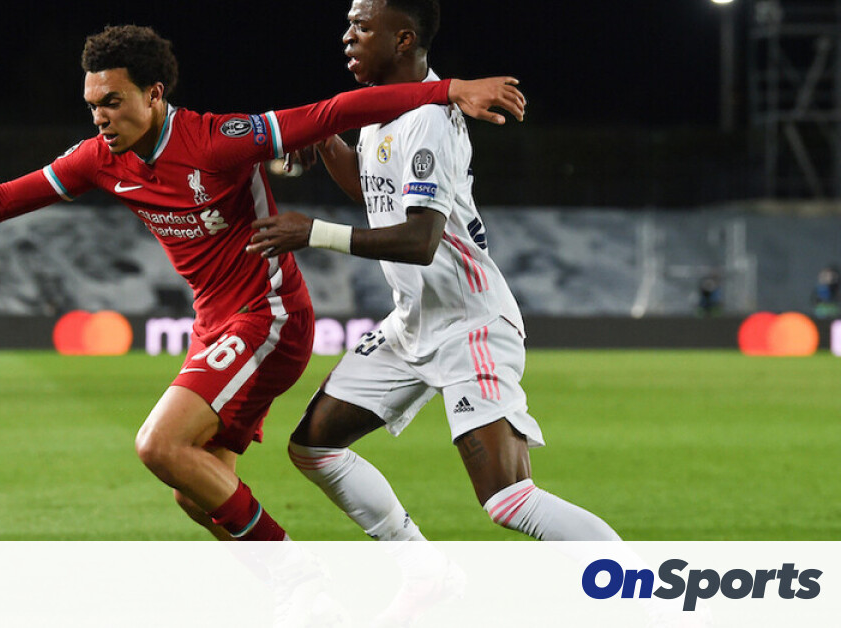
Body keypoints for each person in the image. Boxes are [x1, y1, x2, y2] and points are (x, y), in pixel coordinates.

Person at [0, 24, 525, 541]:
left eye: (112, 102)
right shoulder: (99, 159)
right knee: (196, 489)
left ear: (154, 94)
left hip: (269, 316)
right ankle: (321, 588)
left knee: (159, 445)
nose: (100, 117)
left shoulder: (217, 140)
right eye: (92, 105)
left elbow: (332, 113)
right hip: (215, 324)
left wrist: (447, 90)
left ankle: (296, 581)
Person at [248, 0, 620, 544]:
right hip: (412, 323)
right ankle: (423, 568)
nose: (347, 37)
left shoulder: (428, 120)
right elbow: (375, 194)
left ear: (403, 39)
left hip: (469, 325)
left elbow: (420, 241)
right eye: (348, 25)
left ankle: (644, 587)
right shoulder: (380, 111)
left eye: (361, 26)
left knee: (509, 499)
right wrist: (327, 142)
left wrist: (313, 233)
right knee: (314, 447)